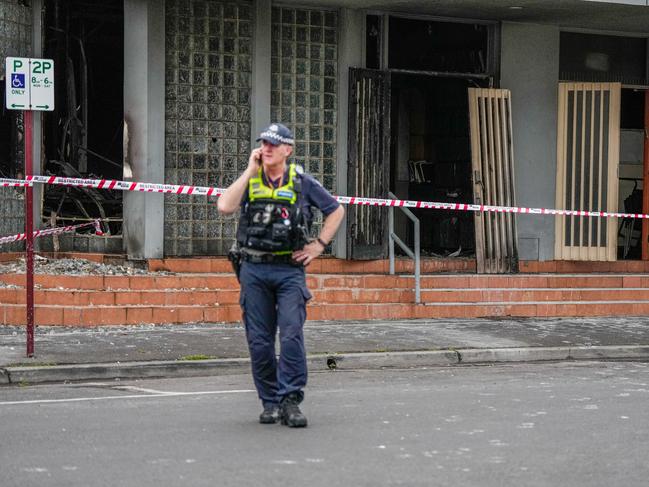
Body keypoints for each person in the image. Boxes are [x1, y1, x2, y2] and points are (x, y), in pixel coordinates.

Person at [217, 123, 345, 428]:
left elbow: (336, 210)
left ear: (288, 149)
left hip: (289, 271)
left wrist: (318, 246)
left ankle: (290, 400)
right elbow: (224, 206)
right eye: (264, 143)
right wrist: (249, 169)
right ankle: (270, 402)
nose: (267, 148)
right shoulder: (252, 179)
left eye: (274, 144)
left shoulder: (301, 182)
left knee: (290, 335)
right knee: (259, 342)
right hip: (255, 269)